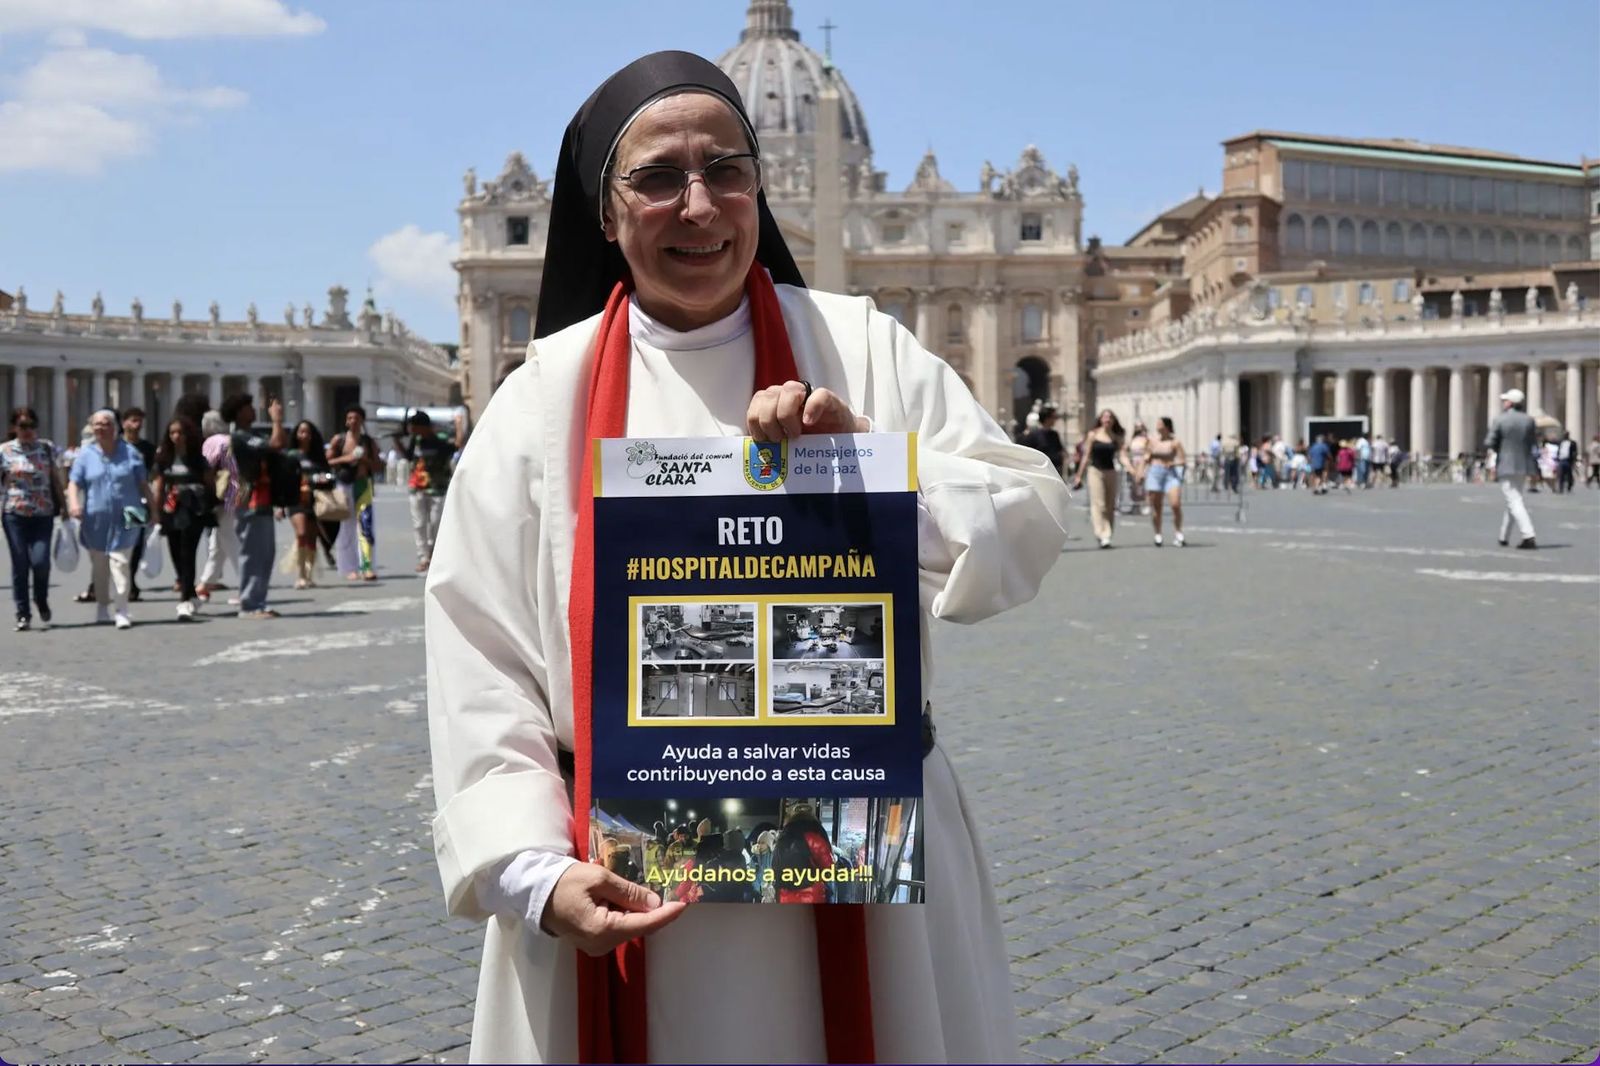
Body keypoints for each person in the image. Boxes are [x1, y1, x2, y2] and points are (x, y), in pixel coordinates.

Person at [423, 50, 1069, 1064]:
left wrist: (868, 469)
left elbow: (1029, 521)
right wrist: (529, 869)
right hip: (618, 867)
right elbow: (478, 654)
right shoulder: (537, 402)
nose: (699, 206)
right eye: (658, 178)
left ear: (760, 189)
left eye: (725, 170)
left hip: (863, 852)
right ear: (604, 212)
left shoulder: (864, 348)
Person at [67, 408, 155, 629]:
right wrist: (74, 503)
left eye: (105, 423)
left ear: (115, 427)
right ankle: (102, 605)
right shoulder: (85, 455)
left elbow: (143, 485)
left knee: (122, 563)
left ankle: (122, 609)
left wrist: (154, 511)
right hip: (95, 515)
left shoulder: (131, 453)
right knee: (100, 566)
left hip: (131, 513)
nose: (100, 428)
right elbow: (74, 483)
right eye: (96, 424)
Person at [219, 393, 288, 618]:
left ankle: (258, 600)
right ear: (239, 412)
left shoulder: (252, 435)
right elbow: (277, 444)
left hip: (264, 500)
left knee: (265, 553)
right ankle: (250, 604)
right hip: (250, 501)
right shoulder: (239, 437)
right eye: (248, 406)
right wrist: (277, 419)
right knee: (253, 553)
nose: (254, 410)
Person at [2, 406, 64, 630]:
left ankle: (41, 598)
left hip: (42, 514)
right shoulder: (4, 451)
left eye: (31, 426)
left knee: (40, 562)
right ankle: (23, 612)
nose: (27, 430)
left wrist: (65, 506)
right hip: (14, 514)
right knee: (20, 563)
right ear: (14, 428)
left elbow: (56, 479)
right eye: (22, 426)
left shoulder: (46, 449)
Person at [151, 415, 215, 620]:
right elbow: (159, 486)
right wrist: (156, 512)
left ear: (188, 435)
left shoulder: (198, 459)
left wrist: (199, 497)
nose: (176, 436)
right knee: (176, 555)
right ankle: (190, 592)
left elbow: (210, 484)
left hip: (192, 511)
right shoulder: (164, 459)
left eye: (180, 432)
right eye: (172, 433)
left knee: (188, 554)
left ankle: (184, 601)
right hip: (171, 511)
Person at [397, 409, 466, 572]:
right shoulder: (416, 440)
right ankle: (423, 557)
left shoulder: (439, 440)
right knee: (419, 524)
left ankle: (434, 554)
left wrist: (458, 425)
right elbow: (408, 456)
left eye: (415, 426)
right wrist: (397, 440)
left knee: (435, 524)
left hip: (437, 488)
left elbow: (457, 445)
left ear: (424, 426)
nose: (412, 430)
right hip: (417, 488)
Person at [282, 420, 339, 588]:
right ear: (296, 435)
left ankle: (308, 573)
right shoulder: (291, 455)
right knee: (301, 533)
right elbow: (284, 479)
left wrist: (324, 478)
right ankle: (300, 575)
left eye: (307, 432)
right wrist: (279, 505)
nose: (304, 435)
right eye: (301, 431)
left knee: (312, 538)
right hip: (296, 499)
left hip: (315, 500)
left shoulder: (318, 457)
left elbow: (329, 476)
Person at [328, 405, 379, 581]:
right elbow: (328, 461)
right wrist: (346, 459)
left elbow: (379, 465)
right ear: (346, 421)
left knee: (365, 526)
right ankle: (349, 568)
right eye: (350, 418)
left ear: (362, 420)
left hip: (363, 485)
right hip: (343, 485)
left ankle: (367, 567)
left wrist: (365, 460)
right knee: (345, 528)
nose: (353, 421)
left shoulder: (368, 442)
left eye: (356, 418)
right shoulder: (339, 440)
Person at [1486, 387, 1538, 549]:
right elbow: (1532, 442)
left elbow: (1489, 442)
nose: (1503, 402)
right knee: (1514, 499)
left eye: (1505, 400)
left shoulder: (1500, 420)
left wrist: (1498, 448)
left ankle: (1528, 534)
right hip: (1523, 464)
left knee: (1514, 500)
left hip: (1506, 464)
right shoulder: (1529, 420)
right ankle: (1504, 536)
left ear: (1510, 403)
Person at [197, 410, 238, 604]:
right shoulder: (232, 440)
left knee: (230, 541)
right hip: (235, 494)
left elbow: (206, 469)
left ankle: (246, 585)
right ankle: (205, 583)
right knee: (218, 543)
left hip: (220, 496)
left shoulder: (211, 443)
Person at [1070, 408, 1125, 548]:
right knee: (1099, 504)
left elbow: (1122, 456)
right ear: (1100, 419)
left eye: (1110, 417)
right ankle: (1102, 534)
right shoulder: (1093, 435)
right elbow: (1086, 456)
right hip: (1095, 471)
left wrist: (1132, 468)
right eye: (1105, 417)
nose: (1107, 420)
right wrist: (1078, 476)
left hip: (1111, 471)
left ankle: (1108, 532)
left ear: (1113, 420)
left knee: (1110, 504)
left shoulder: (1116, 437)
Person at [1146, 416, 1187, 547]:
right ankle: (1158, 533)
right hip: (1155, 473)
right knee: (1157, 507)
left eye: (1160, 423)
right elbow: (1146, 457)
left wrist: (1174, 463)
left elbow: (1183, 460)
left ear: (1167, 426)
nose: (1157, 425)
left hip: (1171, 474)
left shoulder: (1175, 442)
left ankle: (1178, 532)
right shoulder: (1152, 441)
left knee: (1175, 504)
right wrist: (1140, 470)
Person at [1019, 403, 1065, 476]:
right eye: (1053, 417)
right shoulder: (1033, 435)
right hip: (1040, 473)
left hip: (1055, 472)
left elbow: (1059, 451)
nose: (1055, 420)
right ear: (1047, 418)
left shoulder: (1054, 434)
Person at [1125, 421, 1150, 513]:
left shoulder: (1146, 439)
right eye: (1136, 427)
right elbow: (1126, 449)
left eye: (1140, 426)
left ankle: (1145, 505)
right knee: (1133, 485)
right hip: (1133, 462)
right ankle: (1135, 505)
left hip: (1143, 462)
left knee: (1143, 485)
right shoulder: (1132, 440)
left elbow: (1148, 451)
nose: (1138, 428)